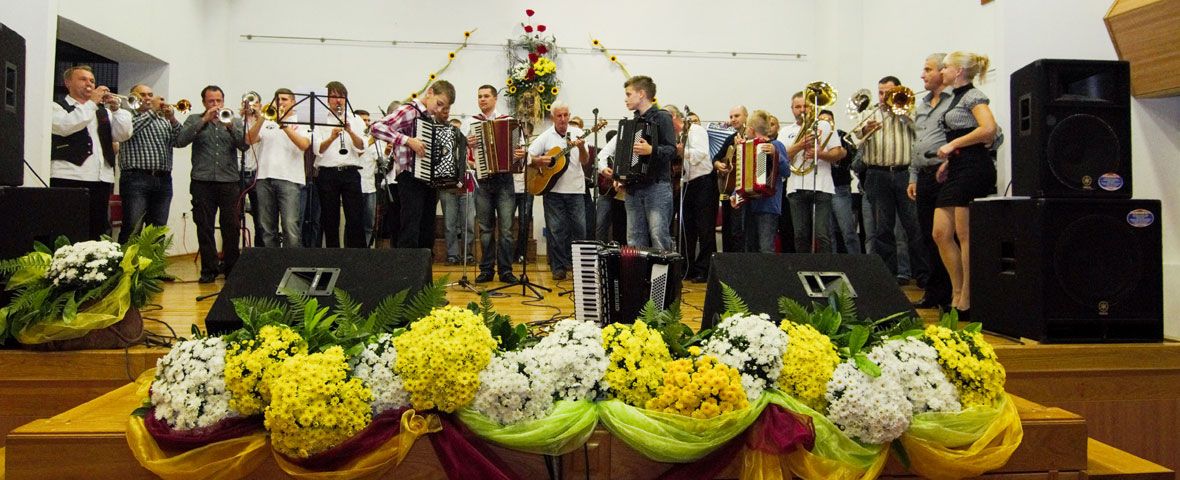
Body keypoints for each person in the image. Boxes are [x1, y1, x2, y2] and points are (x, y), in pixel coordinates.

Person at [933, 51, 999, 320]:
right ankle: (957, 291)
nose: (942, 71)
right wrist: (949, 161)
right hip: (959, 167)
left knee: (965, 235)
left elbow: (989, 129)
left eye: (946, 67)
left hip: (973, 170)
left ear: (958, 71)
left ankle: (966, 299)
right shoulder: (955, 97)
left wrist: (953, 145)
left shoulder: (973, 96)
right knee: (940, 233)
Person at [850, 75, 927, 283]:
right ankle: (889, 276)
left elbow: (921, 132)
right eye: (881, 92)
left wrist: (903, 114)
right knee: (882, 228)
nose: (883, 97)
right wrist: (865, 130)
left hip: (905, 173)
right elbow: (856, 136)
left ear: (898, 91)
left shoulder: (911, 110)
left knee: (914, 226)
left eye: (888, 93)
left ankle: (922, 275)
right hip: (877, 174)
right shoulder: (869, 112)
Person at [370, 81, 457, 250]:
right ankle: (408, 266)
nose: (439, 110)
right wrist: (407, 140)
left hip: (428, 179)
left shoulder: (429, 117)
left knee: (427, 231)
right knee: (410, 228)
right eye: (439, 103)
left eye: (444, 107)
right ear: (430, 92)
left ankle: (424, 266)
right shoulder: (409, 110)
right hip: (409, 178)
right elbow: (376, 128)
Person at [50, 65, 133, 240]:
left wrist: (117, 110)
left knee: (97, 230)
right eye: (83, 79)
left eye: (92, 81)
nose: (89, 84)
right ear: (68, 83)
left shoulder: (103, 111)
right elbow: (65, 126)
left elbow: (123, 134)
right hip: (69, 176)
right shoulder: (56, 106)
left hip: (101, 178)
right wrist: (92, 103)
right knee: (68, 229)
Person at [175, 85, 248, 282]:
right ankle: (209, 269)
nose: (215, 105)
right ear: (204, 103)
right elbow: (181, 141)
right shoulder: (194, 119)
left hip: (229, 181)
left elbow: (244, 145)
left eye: (218, 101)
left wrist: (230, 127)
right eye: (211, 101)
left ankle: (231, 269)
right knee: (204, 226)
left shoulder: (234, 120)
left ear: (223, 101)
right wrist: (203, 121)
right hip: (202, 181)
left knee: (231, 226)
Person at [908, 53, 954, 311]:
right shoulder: (923, 105)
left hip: (945, 174)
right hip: (924, 175)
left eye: (928, 69)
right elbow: (917, 143)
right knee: (927, 236)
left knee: (946, 236)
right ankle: (935, 292)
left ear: (942, 72)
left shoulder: (955, 102)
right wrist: (913, 176)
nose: (922, 75)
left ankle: (952, 293)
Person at [611, 76, 676, 250]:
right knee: (634, 237)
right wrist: (621, 176)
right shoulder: (632, 123)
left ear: (641, 94)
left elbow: (672, 150)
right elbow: (626, 155)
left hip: (657, 186)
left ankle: (661, 269)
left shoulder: (662, 117)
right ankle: (637, 269)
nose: (625, 99)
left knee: (659, 235)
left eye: (628, 94)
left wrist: (651, 150)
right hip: (633, 188)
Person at [466, 85, 522, 283]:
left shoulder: (508, 121)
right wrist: (468, 144)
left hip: (504, 180)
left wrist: (519, 154)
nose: (482, 99)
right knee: (485, 229)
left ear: (495, 98)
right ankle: (486, 269)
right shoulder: (471, 122)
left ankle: (506, 270)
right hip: (482, 179)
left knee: (506, 229)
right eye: (479, 96)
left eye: (486, 96)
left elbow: (518, 151)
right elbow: (463, 153)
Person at [527, 101, 588, 280]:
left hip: (576, 189)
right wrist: (539, 161)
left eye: (565, 115)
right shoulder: (546, 136)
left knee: (580, 230)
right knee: (556, 231)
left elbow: (585, 161)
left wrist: (581, 147)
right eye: (559, 116)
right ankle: (559, 268)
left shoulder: (578, 133)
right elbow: (529, 156)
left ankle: (579, 267)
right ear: (553, 117)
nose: (563, 119)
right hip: (553, 191)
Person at [246, 88, 312, 248]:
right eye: (277, 99)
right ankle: (273, 262)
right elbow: (249, 140)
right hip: (264, 178)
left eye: (284, 99)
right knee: (267, 228)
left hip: (289, 179)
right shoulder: (267, 122)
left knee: (290, 226)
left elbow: (304, 145)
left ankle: (291, 261)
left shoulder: (301, 121)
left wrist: (284, 125)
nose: (280, 102)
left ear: (293, 102)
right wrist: (261, 118)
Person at [117, 83, 179, 243]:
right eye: (143, 95)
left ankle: (154, 260)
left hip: (163, 180)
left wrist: (172, 119)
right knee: (132, 228)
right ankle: (127, 260)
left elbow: (179, 141)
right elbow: (128, 131)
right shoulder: (126, 116)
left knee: (158, 230)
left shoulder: (162, 119)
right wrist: (153, 111)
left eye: (150, 95)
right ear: (133, 97)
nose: (148, 98)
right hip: (136, 179)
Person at [784, 91, 845, 254]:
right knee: (800, 235)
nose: (802, 110)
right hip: (796, 187)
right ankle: (803, 267)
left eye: (805, 106)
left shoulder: (825, 126)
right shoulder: (786, 131)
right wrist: (800, 145)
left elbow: (838, 153)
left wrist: (820, 154)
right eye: (797, 107)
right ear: (792, 109)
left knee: (822, 234)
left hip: (822, 185)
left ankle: (826, 267)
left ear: (812, 107)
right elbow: (782, 158)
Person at [313, 81, 367, 248]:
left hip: (350, 172)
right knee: (330, 219)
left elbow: (361, 148)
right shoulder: (319, 119)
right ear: (327, 99)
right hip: (327, 173)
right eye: (334, 97)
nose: (338, 100)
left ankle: (355, 256)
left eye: (342, 97)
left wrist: (350, 131)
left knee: (355, 218)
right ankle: (333, 256)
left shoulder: (355, 119)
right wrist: (331, 138)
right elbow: (317, 149)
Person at [666, 105, 715, 281]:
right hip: (686, 183)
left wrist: (682, 151)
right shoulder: (677, 135)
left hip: (703, 182)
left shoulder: (696, 130)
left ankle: (705, 269)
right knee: (686, 228)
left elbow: (701, 153)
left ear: (673, 117)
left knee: (705, 228)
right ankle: (687, 267)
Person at [729, 110, 790, 253]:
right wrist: (735, 194)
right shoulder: (745, 147)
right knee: (749, 247)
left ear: (750, 129)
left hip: (768, 205)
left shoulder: (776, 145)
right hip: (749, 204)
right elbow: (742, 174)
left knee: (766, 247)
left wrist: (776, 154)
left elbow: (786, 171)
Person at [819, 109, 861, 254]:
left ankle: (856, 261)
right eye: (822, 121)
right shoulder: (815, 138)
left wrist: (837, 153)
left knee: (848, 230)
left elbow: (851, 158)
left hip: (840, 187)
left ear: (833, 122)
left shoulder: (842, 136)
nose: (825, 123)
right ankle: (833, 262)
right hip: (822, 189)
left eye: (828, 120)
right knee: (828, 232)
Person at [712, 106, 748, 252]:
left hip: (743, 192)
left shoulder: (751, 137)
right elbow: (716, 158)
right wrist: (718, 165)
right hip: (728, 189)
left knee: (739, 232)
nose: (733, 119)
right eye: (731, 117)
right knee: (728, 231)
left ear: (746, 116)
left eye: (737, 116)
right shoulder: (730, 138)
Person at [355, 109, 379, 246]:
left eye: (368, 120)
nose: (367, 123)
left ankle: (366, 250)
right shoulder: (353, 138)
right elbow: (353, 156)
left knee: (369, 223)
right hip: (356, 187)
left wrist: (387, 152)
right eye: (364, 120)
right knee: (354, 222)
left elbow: (380, 163)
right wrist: (368, 143)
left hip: (370, 188)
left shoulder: (373, 139)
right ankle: (351, 251)